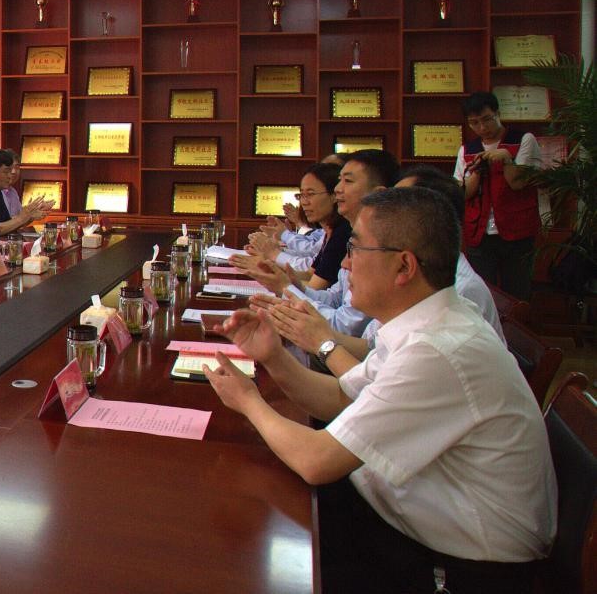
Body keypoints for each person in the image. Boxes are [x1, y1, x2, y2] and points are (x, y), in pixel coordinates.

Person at [204, 186, 555, 594]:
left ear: (404, 266)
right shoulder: (421, 323)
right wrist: (273, 358)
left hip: (464, 568)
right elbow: (342, 397)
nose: (345, 263)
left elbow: (317, 460)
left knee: (249, 546)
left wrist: (249, 401)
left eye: (355, 249)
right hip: (406, 518)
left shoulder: (440, 348)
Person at [262, 164, 504, 375]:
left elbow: (360, 376)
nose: (346, 264)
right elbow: (371, 352)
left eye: (347, 181)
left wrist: (318, 338)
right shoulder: (414, 274)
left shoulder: (451, 300)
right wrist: (307, 336)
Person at [235, 149, 398, 338]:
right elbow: (334, 298)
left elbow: (344, 326)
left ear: (378, 194)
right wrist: (295, 286)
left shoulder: (375, 244)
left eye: (348, 181)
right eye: (339, 180)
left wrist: (286, 288)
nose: (338, 189)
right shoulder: (353, 234)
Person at [456, 91, 543, 299]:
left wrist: (506, 160)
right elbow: (462, 193)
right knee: (481, 292)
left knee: (517, 292)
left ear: (498, 113)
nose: (482, 128)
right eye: (474, 123)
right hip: (479, 233)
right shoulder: (467, 149)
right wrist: (477, 171)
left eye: (487, 119)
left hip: (517, 230)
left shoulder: (523, 140)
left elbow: (518, 183)